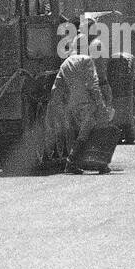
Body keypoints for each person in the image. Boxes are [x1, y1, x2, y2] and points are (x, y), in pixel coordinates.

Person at [52, 27, 115, 174]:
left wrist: (59, 105)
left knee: (82, 132)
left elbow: (57, 87)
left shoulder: (65, 63)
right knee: (98, 129)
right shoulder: (87, 60)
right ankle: (93, 163)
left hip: (72, 105)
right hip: (87, 104)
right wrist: (101, 107)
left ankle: (79, 162)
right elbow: (93, 86)